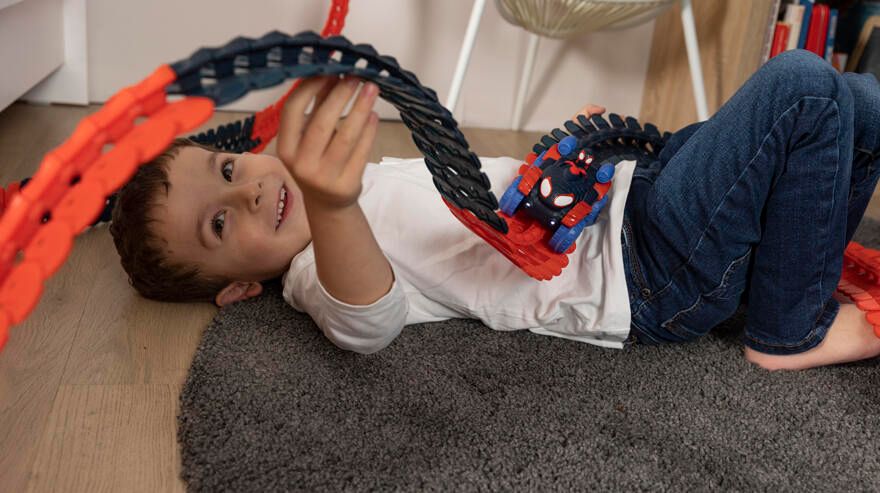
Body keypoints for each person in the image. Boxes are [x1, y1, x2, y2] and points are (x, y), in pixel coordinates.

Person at [109, 49, 880, 370]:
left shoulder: (360, 185)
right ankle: (788, 331)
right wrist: (331, 202)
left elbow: (492, 200)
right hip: (644, 269)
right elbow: (367, 322)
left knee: (857, 104)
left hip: (631, 190)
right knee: (801, 88)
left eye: (228, 169)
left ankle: (788, 275)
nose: (244, 191)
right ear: (239, 286)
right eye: (221, 224)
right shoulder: (318, 267)